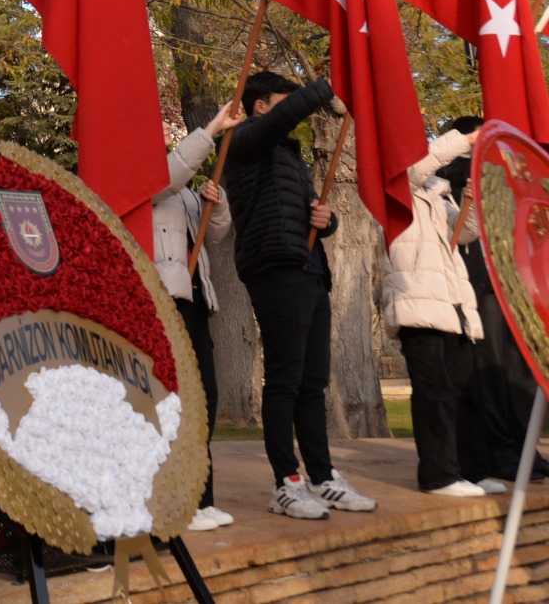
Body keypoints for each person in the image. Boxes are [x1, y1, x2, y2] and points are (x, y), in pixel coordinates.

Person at [222, 70, 376, 520]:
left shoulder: (290, 158)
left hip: (310, 269)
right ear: (261, 105)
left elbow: (315, 213)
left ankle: (323, 477)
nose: (293, 110)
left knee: (313, 383)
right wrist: (329, 84)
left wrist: (327, 221)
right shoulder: (243, 140)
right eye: (283, 101)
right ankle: (286, 484)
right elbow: (281, 120)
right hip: (274, 267)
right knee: (285, 380)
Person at [380, 125, 503, 497]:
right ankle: (438, 475)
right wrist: (464, 139)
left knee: (463, 391)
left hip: (452, 305)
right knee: (433, 392)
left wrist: (472, 199)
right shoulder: (394, 186)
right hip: (417, 301)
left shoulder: (438, 194)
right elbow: (417, 168)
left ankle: (469, 469)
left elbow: (465, 234)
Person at [440, 118, 549, 483]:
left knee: (517, 372)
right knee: (489, 372)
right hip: (477, 285)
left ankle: (522, 446)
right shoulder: (455, 178)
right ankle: (499, 450)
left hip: (510, 283)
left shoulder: (497, 176)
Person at [152, 103, 243, 532]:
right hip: (163, 302)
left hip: (196, 300)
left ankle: (201, 499)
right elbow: (167, 176)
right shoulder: (148, 179)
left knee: (204, 398)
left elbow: (216, 233)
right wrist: (210, 131)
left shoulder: (184, 189)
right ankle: (175, 499)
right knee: (173, 403)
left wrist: (217, 203)